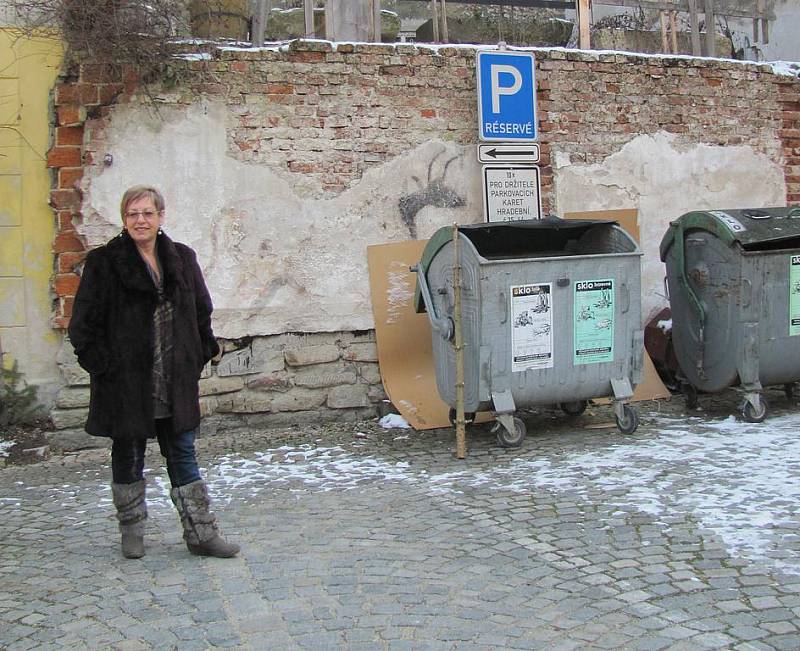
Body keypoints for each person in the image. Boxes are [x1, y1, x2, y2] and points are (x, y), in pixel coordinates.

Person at [68, 185, 239, 560]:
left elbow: (200, 312)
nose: (140, 220)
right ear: (124, 219)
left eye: (147, 213)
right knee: (128, 453)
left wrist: (201, 353)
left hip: (173, 377)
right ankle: (132, 533)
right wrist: (104, 368)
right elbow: (82, 326)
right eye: (133, 214)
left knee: (182, 451)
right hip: (126, 383)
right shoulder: (105, 262)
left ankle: (201, 534)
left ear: (161, 216)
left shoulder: (182, 258)